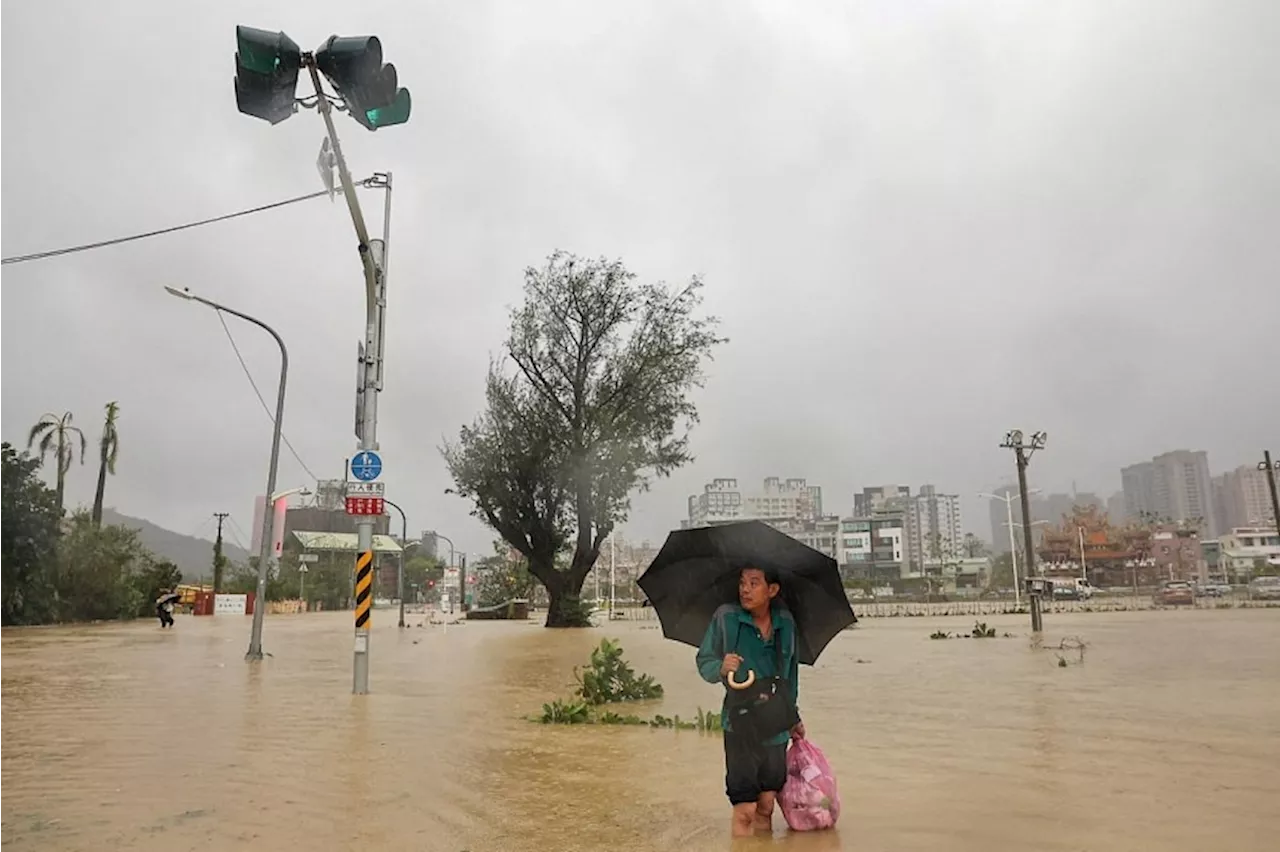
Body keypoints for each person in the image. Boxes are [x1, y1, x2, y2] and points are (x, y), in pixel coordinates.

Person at [696, 565, 805, 837]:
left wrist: (793, 719)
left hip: (775, 724)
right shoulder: (726, 618)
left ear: (772, 590)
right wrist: (721, 667)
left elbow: (791, 675)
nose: (745, 589)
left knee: (766, 806)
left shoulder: (786, 623)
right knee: (745, 809)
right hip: (740, 722)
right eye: (742, 582)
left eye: (754, 583)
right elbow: (704, 660)